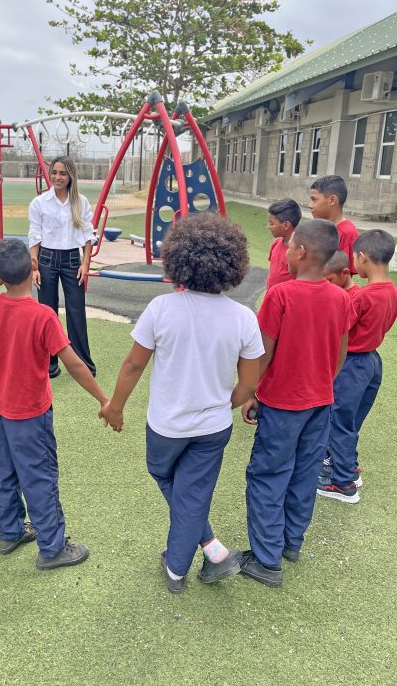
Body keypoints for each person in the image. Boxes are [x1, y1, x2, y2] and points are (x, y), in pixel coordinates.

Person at [101, 212, 264, 594]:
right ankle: (210, 547)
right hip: (213, 428)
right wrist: (226, 403)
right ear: (233, 263)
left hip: (167, 426)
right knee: (193, 491)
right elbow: (250, 381)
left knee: (164, 476)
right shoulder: (243, 318)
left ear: (177, 258)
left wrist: (115, 407)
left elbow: (134, 364)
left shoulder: (162, 308)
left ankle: (178, 568)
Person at [0, 238, 108, 569]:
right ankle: (52, 548)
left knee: (5, 471)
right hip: (30, 415)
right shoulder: (43, 316)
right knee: (40, 476)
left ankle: (10, 531)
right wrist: (104, 399)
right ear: (34, 267)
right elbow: (75, 364)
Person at [241, 219, 352, 587]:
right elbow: (340, 354)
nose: (285, 253)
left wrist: (252, 391)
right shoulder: (340, 297)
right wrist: (322, 384)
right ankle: (290, 543)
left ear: (301, 252)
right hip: (320, 402)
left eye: (289, 247)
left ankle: (266, 559)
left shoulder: (281, 295)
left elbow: (264, 353)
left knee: (268, 474)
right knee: (304, 474)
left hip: (283, 403)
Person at [317, 230, 397, 504]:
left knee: (340, 422)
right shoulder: (391, 290)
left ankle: (342, 483)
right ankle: (348, 466)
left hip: (353, 364)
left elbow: (338, 330)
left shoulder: (361, 297)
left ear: (362, 258)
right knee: (351, 421)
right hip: (373, 362)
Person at [28, 156, 96, 378]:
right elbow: (35, 235)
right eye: (54, 172)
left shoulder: (81, 202)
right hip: (45, 261)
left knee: (76, 311)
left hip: (72, 261)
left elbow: (88, 234)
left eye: (62, 173)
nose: (57, 177)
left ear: (71, 176)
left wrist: (85, 263)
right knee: (48, 313)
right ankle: (49, 364)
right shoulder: (39, 203)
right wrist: (34, 267)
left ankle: (82, 364)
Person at [309, 175, 359, 273]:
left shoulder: (347, 233)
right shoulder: (318, 227)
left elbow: (341, 274)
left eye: (314, 199)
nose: (310, 205)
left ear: (332, 200)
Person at [266, 198, 302, 289]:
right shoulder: (275, 244)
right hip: (271, 297)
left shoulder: (299, 252)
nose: (268, 227)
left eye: (271, 224)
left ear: (286, 225)